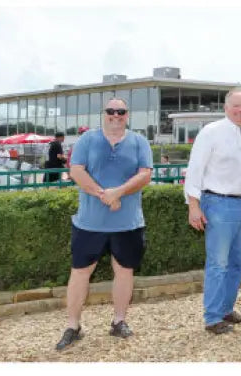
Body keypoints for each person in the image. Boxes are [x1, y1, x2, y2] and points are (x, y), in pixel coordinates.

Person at [55, 98, 153, 351]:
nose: (116, 115)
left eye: (121, 111)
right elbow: (76, 171)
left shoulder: (139, 142)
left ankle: (119, 321)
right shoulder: (87, 140)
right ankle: (73, 326)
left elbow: (145, 175)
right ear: (104, 114)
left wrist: (118, 192)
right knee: (80, 272)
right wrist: (104, 195)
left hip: (128, 223)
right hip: (89, 223)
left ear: (127, 115)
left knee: (124, 271)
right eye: (111, 111)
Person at [183, 90, 241, 335]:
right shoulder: (210, 132)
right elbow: (195, 169)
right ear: (226, 107)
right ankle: (212, 317)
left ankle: (226, 309)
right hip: (218, 204)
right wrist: (193, 206)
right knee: (218, 263)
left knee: (238, 261)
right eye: (236, 106)